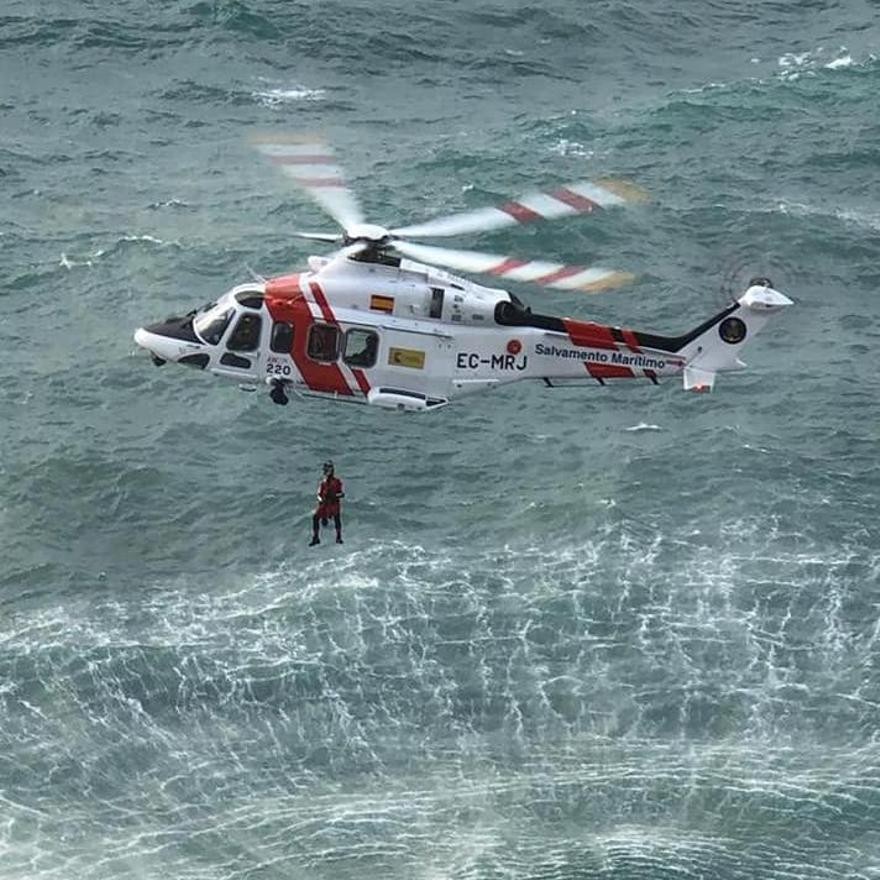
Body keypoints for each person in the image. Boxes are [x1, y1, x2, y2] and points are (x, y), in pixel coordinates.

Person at [309, 460, 344, 546]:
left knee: (337, 518)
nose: (327, 471)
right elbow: (319, 494)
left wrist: (335, 496)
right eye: (326, 469)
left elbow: (342, 493)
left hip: (333, 504)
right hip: (324, 504)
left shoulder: (337, 481)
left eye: (329, 469)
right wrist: (320, 499)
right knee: (315, 517)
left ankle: (338, 537)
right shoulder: (323, 482)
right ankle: (316, 537)